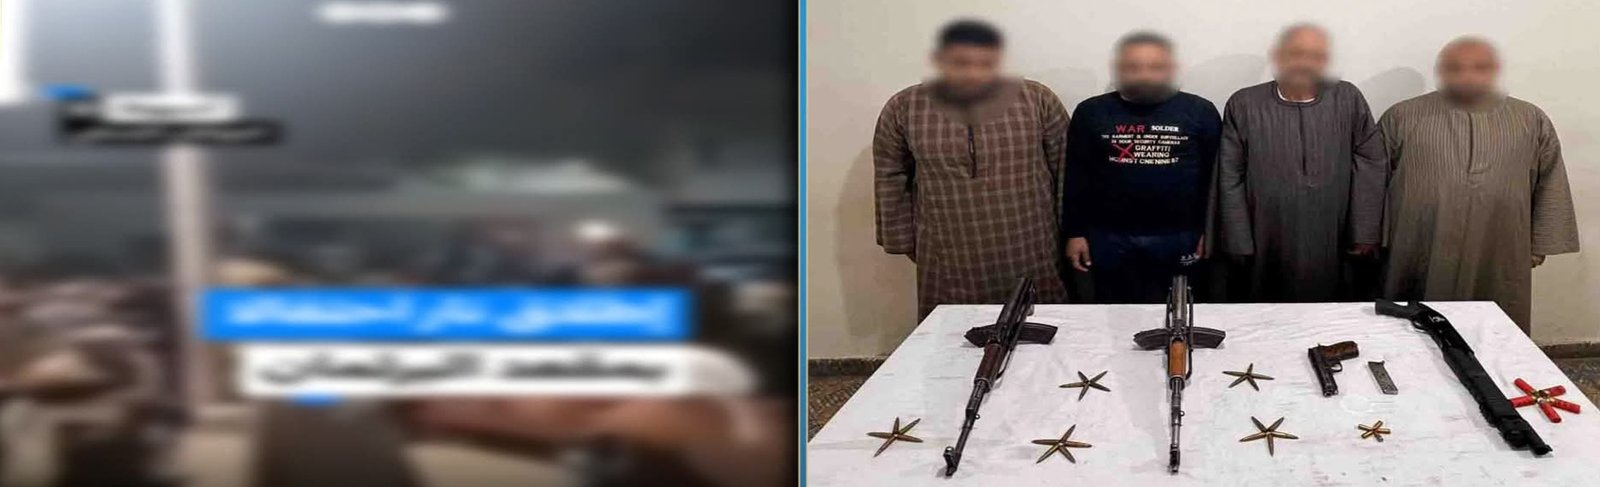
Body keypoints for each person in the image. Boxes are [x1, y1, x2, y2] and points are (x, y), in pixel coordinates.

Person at [1379, 37, 1579, 332]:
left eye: (1479, 67)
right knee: (1413, 325)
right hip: (1419, 241)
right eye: (1455, 68)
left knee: (1496, 325)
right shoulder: (1402, 115)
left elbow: (1550, 180)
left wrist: (1539, 245)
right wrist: (1372, 238)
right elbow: (1373, 179)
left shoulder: (1529, 118)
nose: (1467, 76)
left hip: (1500, 243)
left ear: (1494, 70)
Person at [872, 19, 1071, 318]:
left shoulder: (1036, 99)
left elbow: (1066, 168)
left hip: (1032, 242)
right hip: (947, 249)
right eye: (961, 63)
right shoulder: (905, 106)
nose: (973, 73)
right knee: (951, 331)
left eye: (984, 63)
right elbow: (890, 174)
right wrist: (901, 239)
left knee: (1041, 327)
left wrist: (1071, 233)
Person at [1214, 23, 1388, 302]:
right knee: (1265, 304)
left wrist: (1365, 230)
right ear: (1279, 56)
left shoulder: (1347, 97)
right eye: (1297, 53)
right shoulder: (1244, 103)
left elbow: (1371, 162)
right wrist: (1237, 238)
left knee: (1332, 306)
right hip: (1265, 232)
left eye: (1316, 56)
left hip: (1333, 231)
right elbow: (1229, 174)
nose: (1305, 63)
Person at [1062, 31, 1221, 303]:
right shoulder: (1090, 112)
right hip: (1109, 237)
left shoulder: (1201, 111)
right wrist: (1074, 232)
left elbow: (1215, 178)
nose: (1145, 75)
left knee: (1181, 311)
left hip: (1182, 235)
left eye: (1155, 67)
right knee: (1114, 312)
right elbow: (1076, 176)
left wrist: (1212, 230)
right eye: (1134, 67)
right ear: (1119, 70)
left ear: (1171, 69)